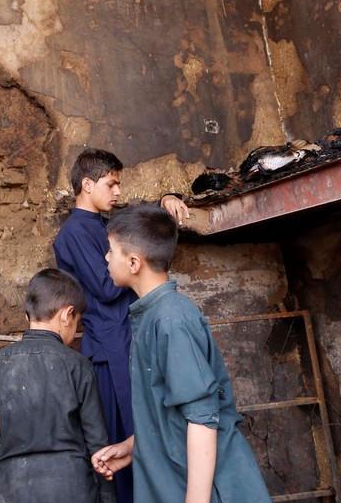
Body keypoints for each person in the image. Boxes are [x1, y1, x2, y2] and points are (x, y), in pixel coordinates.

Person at [92, 205, 271, 503]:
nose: (106, 258)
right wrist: (135, 446)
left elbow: (201, 418)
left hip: (206, 490)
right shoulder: (152, 315)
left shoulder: (171, 320)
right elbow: (172, 412)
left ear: (134, 262)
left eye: (111, 250)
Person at [51, 148, 188, 503]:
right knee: (127, 439)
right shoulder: (73, 233)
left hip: (127, 341)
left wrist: (165, 202)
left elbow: (136, 226)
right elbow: (106, 286)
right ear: (86, 184)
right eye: (110, 184)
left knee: (148, 430)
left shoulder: (102, 223)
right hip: (111, 349)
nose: (116, 192)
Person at [0, 268, 115, 503]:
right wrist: (108, 498)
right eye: (77, 323)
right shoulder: (79, 365)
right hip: (73, 488)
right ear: (67, 315)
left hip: (13, 488)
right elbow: (97, 441)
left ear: (27, 317)